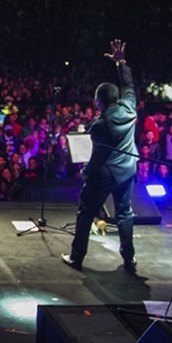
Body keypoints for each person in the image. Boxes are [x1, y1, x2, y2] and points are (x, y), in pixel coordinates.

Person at [63, 40, 138, 272]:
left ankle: (77, 258)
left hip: (105, 173)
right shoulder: (129, 108)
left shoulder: (100, 124)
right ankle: (129, 259)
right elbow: (128, 84)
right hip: (127, 168)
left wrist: (86, 173)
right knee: (125, 213)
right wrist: (121, 62)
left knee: (86, 212)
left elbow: (99, 155)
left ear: (98, 102)